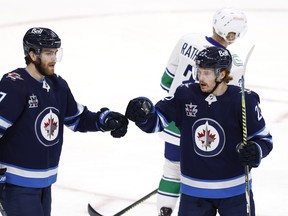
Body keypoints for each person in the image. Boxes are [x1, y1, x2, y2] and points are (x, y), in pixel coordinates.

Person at [125, 46, 273, 216]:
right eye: (199, 72)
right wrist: (143, 115)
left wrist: (256, 150)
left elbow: (264, 139)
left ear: (222, 74)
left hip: (235, 191)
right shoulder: (185, 94)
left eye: (207, 73)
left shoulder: (244, 100)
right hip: (194, 192)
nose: (200, 78)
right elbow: (156, 121)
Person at [0, 27, 128, 216]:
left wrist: (103, 121)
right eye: (48, 53)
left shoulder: (57, 85)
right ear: (32, 54)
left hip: (44, 184)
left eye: (55, 52)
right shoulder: (15, 85)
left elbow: (76, 118)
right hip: (16, 187)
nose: (53, 59)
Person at [157, 8, 248, 216]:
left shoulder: (187, 41)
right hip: (206, 130)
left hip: (173, 121)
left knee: (171, 169)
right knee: (201, 180)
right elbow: (230, 105)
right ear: (236, 34)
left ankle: (163, 211)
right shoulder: (232, 63)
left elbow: (166, 82)